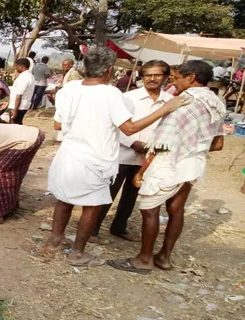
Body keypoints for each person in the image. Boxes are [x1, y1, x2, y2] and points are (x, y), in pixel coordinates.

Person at [43, 46, 186, 266]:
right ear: (110, 70)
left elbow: (58, 124)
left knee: (64, 199)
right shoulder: (111, 94)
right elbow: (128, 129)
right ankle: (77, 253)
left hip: (69, 154)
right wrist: (165, 109)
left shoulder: (68, 88)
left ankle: (54, 241)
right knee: (91, 206)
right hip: (95, 158)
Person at [109, 60, 225, 274]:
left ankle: (144, 259)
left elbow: (162, 143)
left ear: (191, 78)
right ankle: (164, 257)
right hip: (193, 164)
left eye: (176, 78)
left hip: (168, 164)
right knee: (176, 209)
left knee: (149, 208)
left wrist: (142, 171)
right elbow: (218, 144)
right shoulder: (215, 102)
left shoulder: (183, 102)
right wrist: (193, 147)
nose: (174, 83)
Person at [92, 60, 174, 242]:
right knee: (109, 192)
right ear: (142, 77)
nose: (152, 79)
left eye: (157, 75)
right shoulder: (129, 97)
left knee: (132, 195)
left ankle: (119, 227)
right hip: (123, 153)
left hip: (149, 159)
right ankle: (93, 229)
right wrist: (133, 143)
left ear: (166, 77)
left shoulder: (170, 102)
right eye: (148, 75)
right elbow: (114, 125)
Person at [9, 58, 35, 124]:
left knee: (14, 124)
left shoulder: (24, 77)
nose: (16, 68)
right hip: (22, 105)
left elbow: (19, 95)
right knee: (17, 123)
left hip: (19, 106)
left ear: (21, 66)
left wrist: (15, 110)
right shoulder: (29, 75)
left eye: (16, 66)